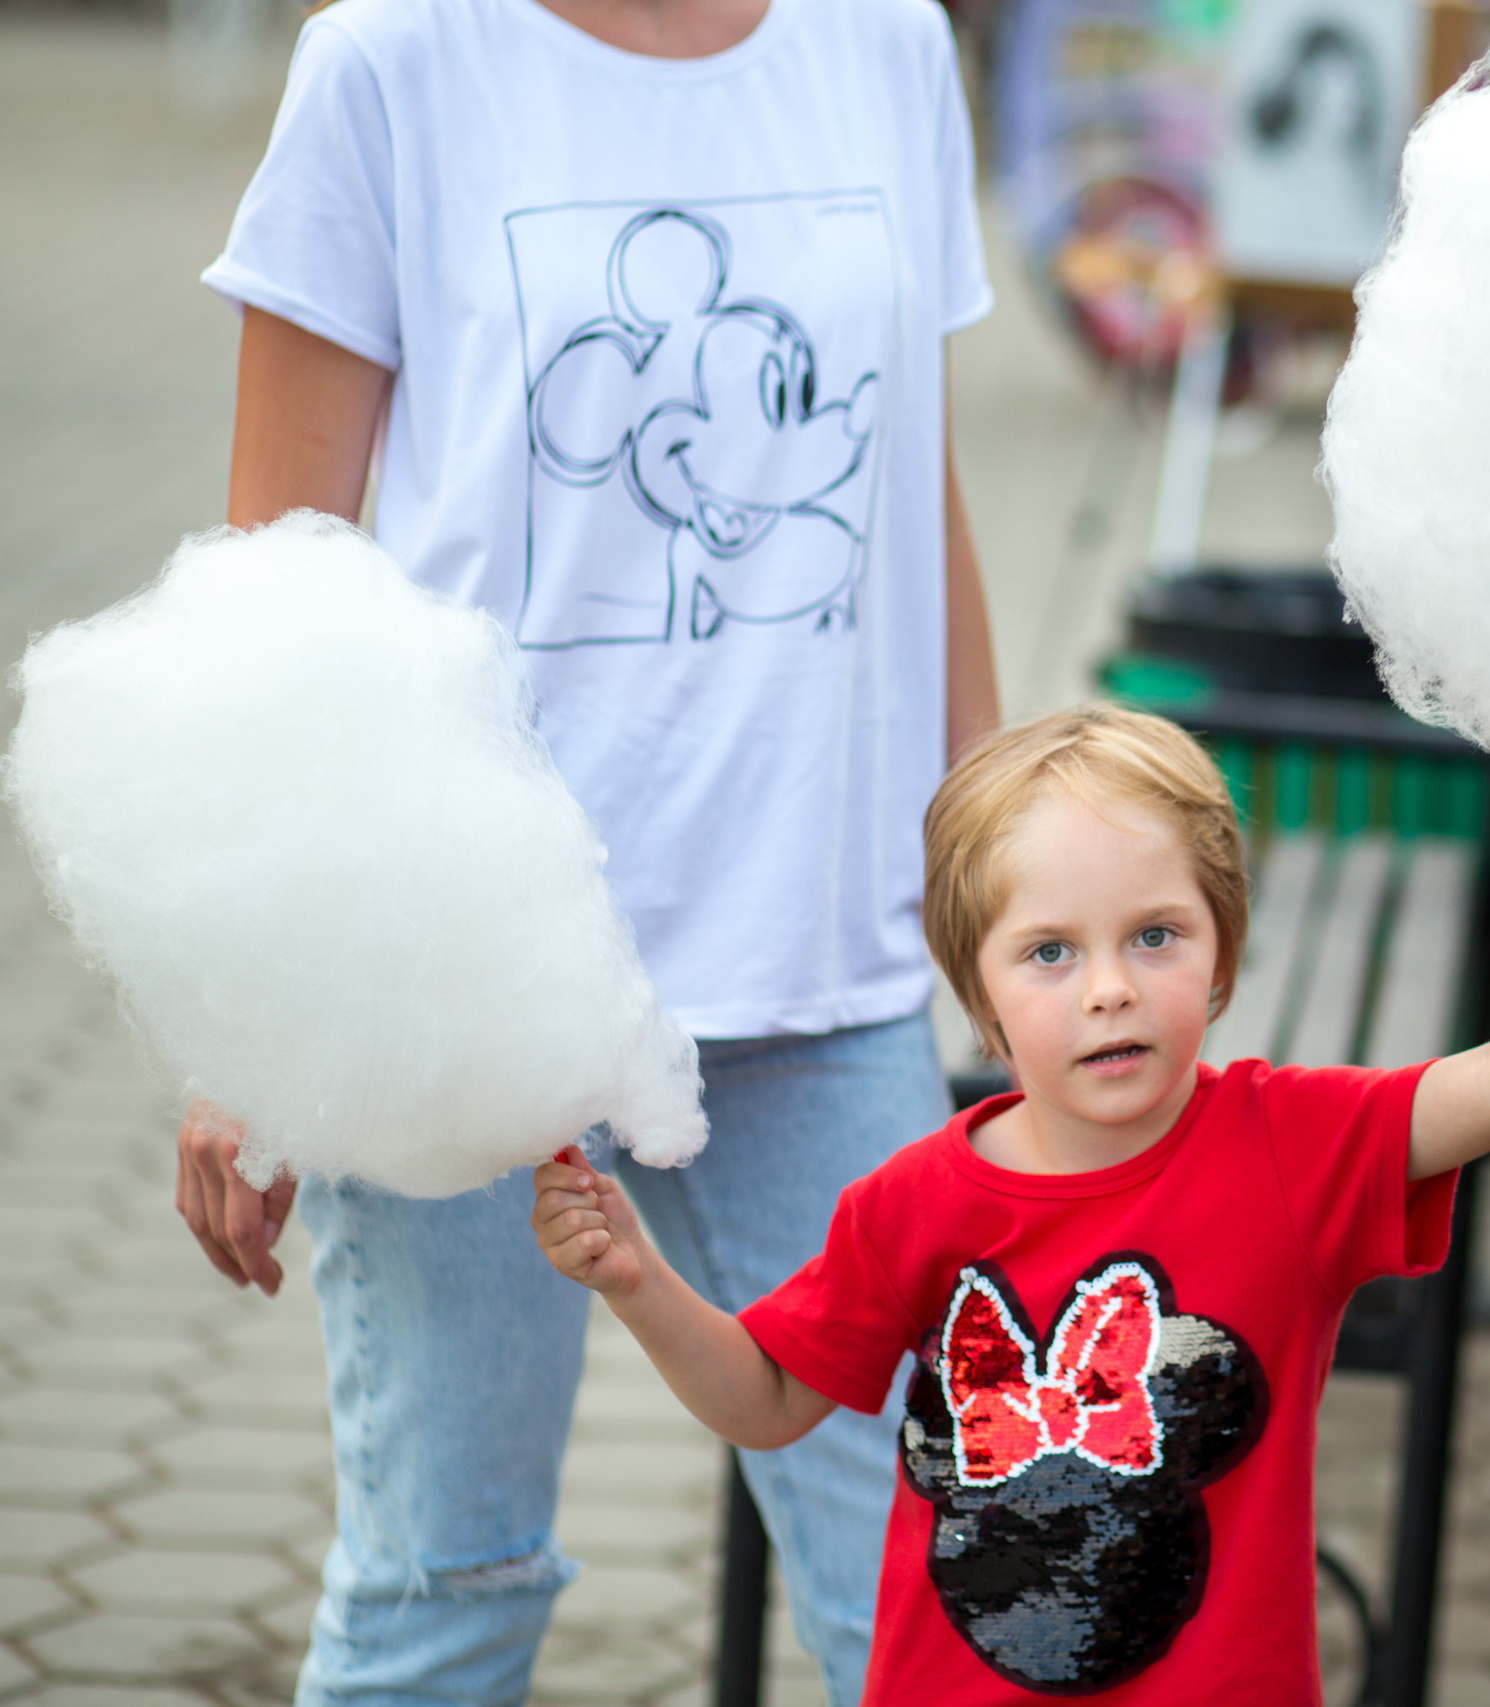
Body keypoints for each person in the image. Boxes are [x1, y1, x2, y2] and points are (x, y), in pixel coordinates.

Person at [178, 0, 998, 1697]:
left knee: (929, 1595)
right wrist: (249, 1017)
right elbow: (281, 577)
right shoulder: (393, 61)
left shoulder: (888, 41)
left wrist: (1000, 873)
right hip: (458, 980)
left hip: (825, 967)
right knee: (445, 1592)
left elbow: (915, 483)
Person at [532, 704, 1490, 1700]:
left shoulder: (1290, 1146)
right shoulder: (912, 1199)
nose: (1109, 989)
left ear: (1221, 957)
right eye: (1049, 952)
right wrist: (638, 1282)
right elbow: (771, 1395)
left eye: (1155, 936)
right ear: (980, 999)